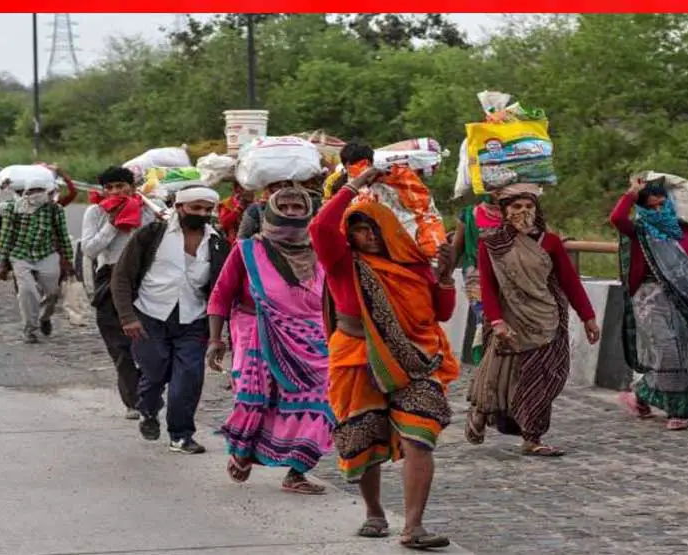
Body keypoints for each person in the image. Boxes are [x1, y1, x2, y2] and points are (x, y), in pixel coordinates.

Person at [310, 167, 457, 549]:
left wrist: (445, 277)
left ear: (389, 230)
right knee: (365, 437)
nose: (368, 236)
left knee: (420, 436)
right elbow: (321, 229)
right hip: (356, 358)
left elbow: (440, 313)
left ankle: (414, 527)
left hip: (414, 359)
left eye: (374, 229)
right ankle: (374, 512)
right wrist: (354, 186)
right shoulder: (343, 264)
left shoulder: (413, 266)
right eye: (359, 230)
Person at [207, 187, 334, 494]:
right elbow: (221, 294)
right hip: (255, 333)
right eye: (285, 206)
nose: (291, 211)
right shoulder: (248, 249)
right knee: (258, 399)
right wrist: (215, 339)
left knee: (321, 402)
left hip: (312, 338)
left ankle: (297, 471)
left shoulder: (320, 249)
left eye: (297, 206)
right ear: (272, 212)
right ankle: (243, 450)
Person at [466, 184, 600, 456]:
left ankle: (532, 435)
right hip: (511, 318)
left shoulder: (549, 242)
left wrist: (588, 317)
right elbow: (489, 286)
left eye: (529, 206)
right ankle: (484, 413)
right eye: (517, 207)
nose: (524, 212)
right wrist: (496, 322)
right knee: (500, 375)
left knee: (549, 374)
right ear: (504, 211)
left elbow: (569, 282)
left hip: (548, 318)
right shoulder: (492, 243)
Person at [111, 185, 229, 455]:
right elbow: (122, 276)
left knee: (188, 378)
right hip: (149, 316)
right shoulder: (152, 235)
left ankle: (181, 435)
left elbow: (220, 288)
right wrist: (128, 317)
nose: (202, 213)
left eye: (207, 209)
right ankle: (148, 410)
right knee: (154, 373)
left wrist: (218, 332)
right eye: (195, 208)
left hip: (193, 319)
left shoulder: (217, 242)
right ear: (179, 207)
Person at [611, 176, 688, 430]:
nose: (658, 206)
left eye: (661, 200)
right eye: (651, 202)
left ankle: (640, 395)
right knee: (669, 351)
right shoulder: (640, 229)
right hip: (650, 297)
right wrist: (631, 193)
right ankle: (676, 412)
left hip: (682, 295)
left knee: (683, 351)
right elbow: (616, 218)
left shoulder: (684, 229)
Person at [81, 166, 157, 421]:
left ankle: (151, 389)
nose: (116, 192)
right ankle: (133, 400)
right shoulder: (96, 212)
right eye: (110, 188)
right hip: (110, 277)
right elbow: (90, 249)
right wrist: (113, 224)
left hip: (144, 278)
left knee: (149, 339)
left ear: (132, 187)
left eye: (120, 186)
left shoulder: (147, 208)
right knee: (120, 345)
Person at [0, 181, 74, 344]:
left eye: (40, 190)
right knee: (27, 291)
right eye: (32, 191)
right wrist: (3, 263)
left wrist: (68, 259)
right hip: (20, 255)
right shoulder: (14, 208)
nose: (36, 194)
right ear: (25, 192)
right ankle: (29, 329)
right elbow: (7, 235)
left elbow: (63, 234)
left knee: (53, 292)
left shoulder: (54, 209)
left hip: (47, 254)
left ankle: (44, 317)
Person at [450, 195, 502, 364]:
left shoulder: (516, 212)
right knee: (488, 321)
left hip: (509, 276)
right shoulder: (470, 215)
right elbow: (456, 250)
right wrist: (443, 281)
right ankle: (487, 365)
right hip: (477, 277)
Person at [217, 181, 255, 246]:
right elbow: (224, 223)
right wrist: (239, 208)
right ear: (236, 189)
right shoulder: (227, 203)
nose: (247, 191)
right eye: (243, 188)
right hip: (233, 243)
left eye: (250, 188)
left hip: (253, 242)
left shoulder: (257, 203)